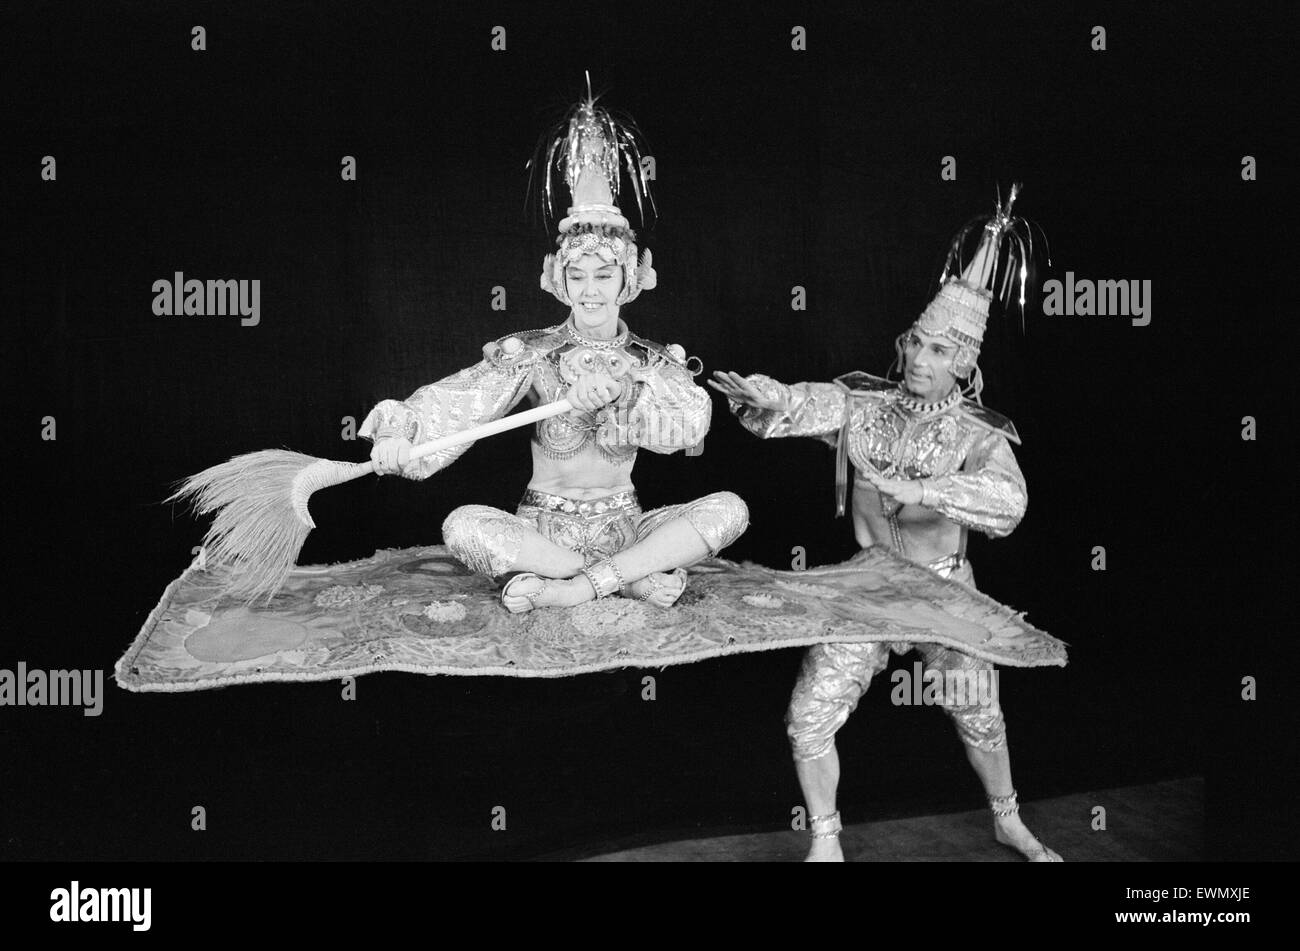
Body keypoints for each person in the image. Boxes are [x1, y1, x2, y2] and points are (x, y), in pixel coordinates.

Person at [710, 186, 1062, 862]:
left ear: (965, 363)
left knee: (980, 712)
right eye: (918, 344)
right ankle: (825, 841)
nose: (920, 361)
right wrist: (771, 396)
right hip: (868, 588)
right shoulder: (866, 403)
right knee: (808, 713)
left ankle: (1007, 818)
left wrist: (920, 484)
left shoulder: (979, 432)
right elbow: (812, 403)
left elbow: (1008, 503)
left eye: (939, 352)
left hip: (942, 590)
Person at [360, 86, 748, 613]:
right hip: (540, 536)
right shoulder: (535, 353)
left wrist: (624, 401)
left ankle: (579, 587)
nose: (591, 290)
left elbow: (689, 430)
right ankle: (622, 582)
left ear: (629, 279)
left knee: (730, 510)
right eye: (578, 275)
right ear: (558, 281)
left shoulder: (653, 362)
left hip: (629, 529)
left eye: (604, 275)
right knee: (462, 525)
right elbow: (459, 400)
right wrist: (400, 430)